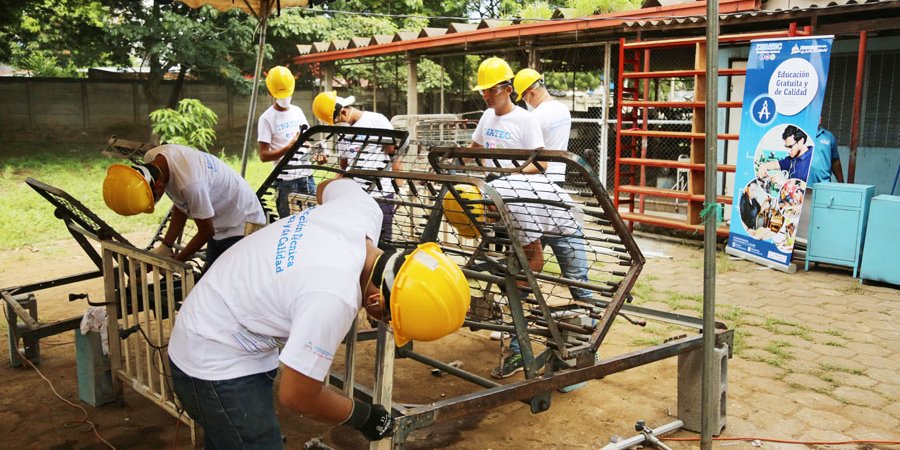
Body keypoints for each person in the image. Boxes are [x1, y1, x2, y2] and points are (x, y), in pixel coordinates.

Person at [167, 178, 471, 449]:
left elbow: (328, 185)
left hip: (219, 315)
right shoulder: (333, 296)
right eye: (389, 318)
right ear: (377, 299)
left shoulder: (363, 211)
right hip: (212, 357)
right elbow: (298, 395)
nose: (383, 322)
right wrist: (363, 416)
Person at [443, 174, 592, 379]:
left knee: (576, 279)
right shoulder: (480, 197)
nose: (486, 223)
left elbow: (536, 263)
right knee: (515, 279)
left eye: (485, 220)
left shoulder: (515, 211)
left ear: (489, 208)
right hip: (532, 215)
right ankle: (519, 352)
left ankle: (589, 349)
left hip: (562, 221)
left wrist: (512, 291)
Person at [102, 144, 265, 269]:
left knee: (226, 286)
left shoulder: (192, 184)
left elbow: (206, 231)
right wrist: (166, 246)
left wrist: (175, 262)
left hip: (244, 225)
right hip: (221, 223)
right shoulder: (154, 157)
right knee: (209, 281)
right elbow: (181, 204)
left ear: (158, 185)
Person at [312, 91, 402, 242]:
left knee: (383, 241)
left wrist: (399, 187)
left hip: (381, 194)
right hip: (356, 197)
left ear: (343, 111)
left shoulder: (376, 121)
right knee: (360, 241)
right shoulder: (342, 133)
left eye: (336, 120)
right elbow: (344, 168)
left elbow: (395, 154)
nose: (336, 124)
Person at [257, 65, 318, 218]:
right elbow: (264, 155)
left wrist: (315, 151)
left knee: (314, 220)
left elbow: (305, 141)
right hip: (286, 181)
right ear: (271, 93)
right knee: (288, 223)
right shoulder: (266, 118)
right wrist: (288, 148)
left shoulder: (297, 111)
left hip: (307, 176)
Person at [470, 57, 545, 166]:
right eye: (483, 91)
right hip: (490, 181)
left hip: (514, 182)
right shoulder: (487, 115)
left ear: (508, 90)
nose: (486, 96)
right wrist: (451, 164)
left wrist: (509, 174)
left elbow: (541, 163)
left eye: (493, 90)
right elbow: (474, 149)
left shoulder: (525, 120)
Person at [513, 68, 572, 184]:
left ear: (531, 93)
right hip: (559, 177)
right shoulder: (564, 110)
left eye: (524, 98)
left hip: (539, 181)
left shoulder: (535, 116)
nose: (526, 102)